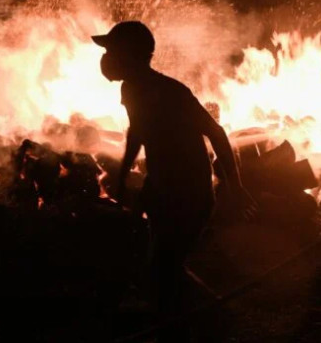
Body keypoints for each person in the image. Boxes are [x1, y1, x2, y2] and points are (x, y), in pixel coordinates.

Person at [93, 21, 256, 340]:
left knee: (163, 268)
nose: (106, 57)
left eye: (112, 50)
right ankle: (195, 322)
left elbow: (217, 133)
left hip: (190, 194)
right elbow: (137, 132)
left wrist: (234, 187)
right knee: (159, 266)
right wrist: (125, 176)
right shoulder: (131, 89)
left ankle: (216, 320)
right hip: (163, 189)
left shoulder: (171, 92)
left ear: (131, 54)